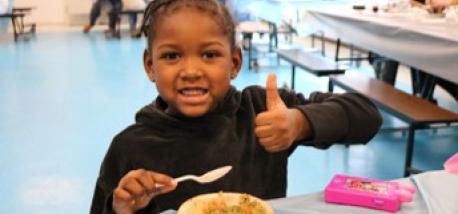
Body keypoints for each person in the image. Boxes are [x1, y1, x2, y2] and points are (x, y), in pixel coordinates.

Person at [89, 0, 382, 213]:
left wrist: (298, 123)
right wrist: (121, 209)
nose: (191, 70)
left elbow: (367, 117)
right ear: (150, 66)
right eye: (172, 56)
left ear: (235, 63)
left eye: (209, 54)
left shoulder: (261, 112)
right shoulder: (130, 147)